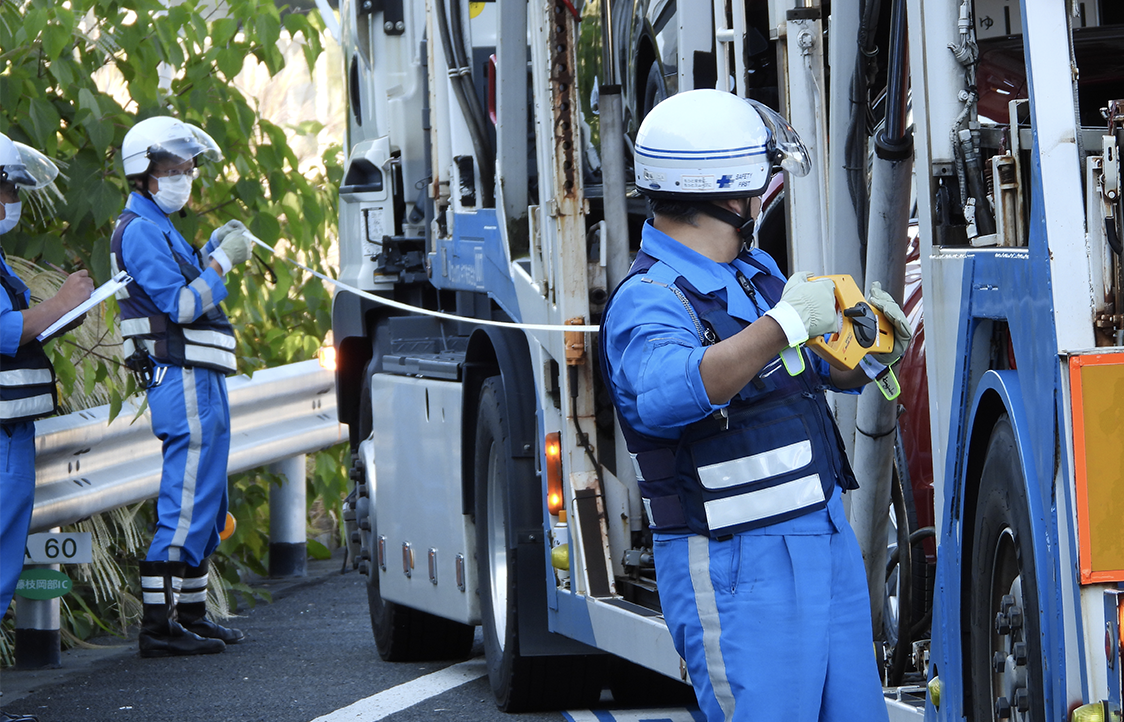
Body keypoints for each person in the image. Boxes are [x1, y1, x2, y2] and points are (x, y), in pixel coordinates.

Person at [600, 89, 911, 722]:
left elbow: (813, 373)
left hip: (823, 543)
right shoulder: (650, 299)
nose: (763, 198)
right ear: (726, 189)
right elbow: (664, 395)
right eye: (758, 183)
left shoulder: (754, 273)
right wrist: (783, 323)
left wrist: (871, 347)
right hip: (735, 564)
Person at [109, 116, 253, 658]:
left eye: (188, 168)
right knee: (187, 499)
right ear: (144, 174)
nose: (184, 178)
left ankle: (191, 613)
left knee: (208, 502)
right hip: (182, 378)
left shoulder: (160, 226)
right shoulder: (141, 230)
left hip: (200, 377)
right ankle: (158, 627)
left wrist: (210, 249)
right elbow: (183, 305)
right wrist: (221, 261)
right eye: (173, 169)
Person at [0, 133, 95, 722]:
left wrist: (65, 312)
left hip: (12, 435)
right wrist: (60, 303)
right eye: (4, 186)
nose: (10, 198)